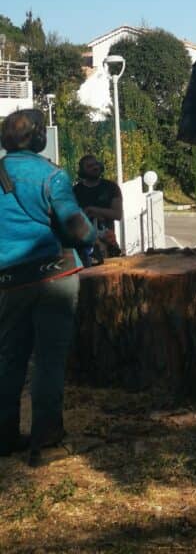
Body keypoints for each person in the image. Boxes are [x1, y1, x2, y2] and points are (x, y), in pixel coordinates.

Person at [0, 109, 96, 466]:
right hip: (53, 278)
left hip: (8, 282)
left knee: (9, 359)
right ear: (38, 137)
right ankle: (47, 441)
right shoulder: (51, 175)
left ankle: (5, 437)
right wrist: (94, 237)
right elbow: (77, 228)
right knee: (48, 360)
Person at [73, 155, 123, 264]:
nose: (95, 167)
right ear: (82, 171)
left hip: (108, 244)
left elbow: (118, 214)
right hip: (84, 246)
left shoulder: (111, 187)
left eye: (96, 164)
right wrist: (86, 214)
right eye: (89, 166)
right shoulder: (76, 191)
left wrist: (93, 210)